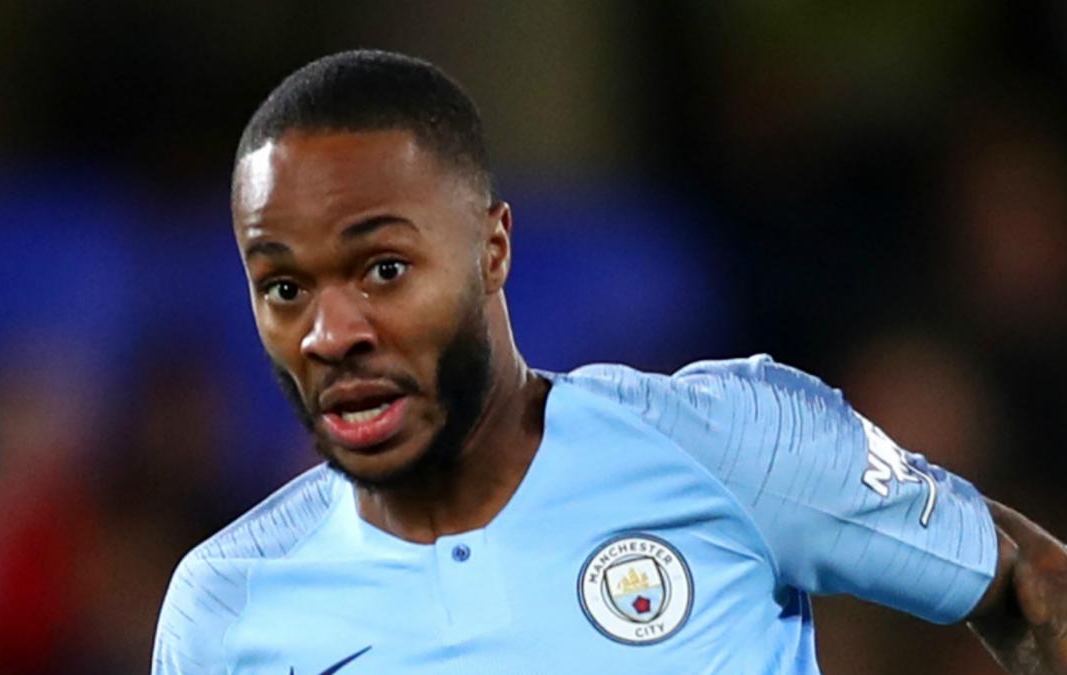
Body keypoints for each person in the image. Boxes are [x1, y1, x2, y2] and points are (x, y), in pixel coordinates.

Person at [152, 50, 1066, 674]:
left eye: (383, 269)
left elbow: (1029, 584)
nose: (329, 332)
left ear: (492, 249)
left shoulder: (723, 446)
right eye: (284, 287)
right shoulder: (228, 608)